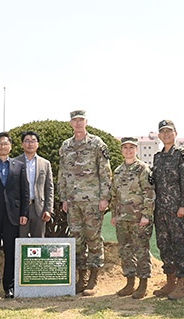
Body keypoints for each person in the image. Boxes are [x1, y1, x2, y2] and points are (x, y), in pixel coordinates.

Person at [58, 110, 112, 296]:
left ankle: (93, 279)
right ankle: (81, 277)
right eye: (75, 120)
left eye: (81, 120)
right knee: (76, 240)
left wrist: (105, 197)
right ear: (71, 123)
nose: (78, 123)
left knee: (93, 238)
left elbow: (105, 171)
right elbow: (62, 173)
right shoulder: (66, 146)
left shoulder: (97, 143)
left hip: (92, 201)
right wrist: (63, 198)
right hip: (73, 202)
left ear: (86, 122)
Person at [151, 120, 184, 300]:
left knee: (178, 245)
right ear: (159, 136)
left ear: (175, 133)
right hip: (160, 210)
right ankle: (170, 280)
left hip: (177, 209)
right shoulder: (157, 157)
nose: (166, 134)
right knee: (163, 245)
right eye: (163, 132)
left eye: (169, 131)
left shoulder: (182, 154)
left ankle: (182, 282)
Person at [0, 132, 29, 300]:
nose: (3, 146)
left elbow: (25, 191)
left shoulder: (19, 165)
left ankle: (9, 287)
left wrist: (24, 213)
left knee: (11, 253)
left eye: (6, 143)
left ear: (10, 146)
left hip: (13, 216)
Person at [110, 137, 155, 299]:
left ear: (136, 149)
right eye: (125, 147)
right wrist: (114, 214)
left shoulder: (143, 169)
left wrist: (146, 215)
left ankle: (143, 284)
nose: (128, 150)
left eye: (131, 147)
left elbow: (149, 193)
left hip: (139, 218)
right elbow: (114, 195)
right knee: (125, 250)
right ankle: (130, 283)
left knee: (141, 250)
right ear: (122, 150)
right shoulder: (118, 171)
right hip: (122, 218)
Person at [16, 131, 54, 238]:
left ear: (38, 144)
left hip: (39, 209)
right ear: (22, 144)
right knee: (20, 241)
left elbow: (49, 188)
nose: (30, 144)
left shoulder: (45, 164)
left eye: (33, 141)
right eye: (27, 141)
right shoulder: (15, 162)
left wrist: (48, 209)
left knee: (38, 242)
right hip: (21, 209)